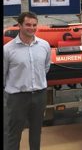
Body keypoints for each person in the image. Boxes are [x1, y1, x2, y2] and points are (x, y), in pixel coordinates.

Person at [3, 11, 51, 150]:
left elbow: (46, 67)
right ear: (20, 25)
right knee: (12, 133)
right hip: (17, 97)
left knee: (36, 132)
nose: (31, 28)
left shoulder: (44, 46)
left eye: (34, 25)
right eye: (28, 24)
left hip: (39, 95)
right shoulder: (8, 49)